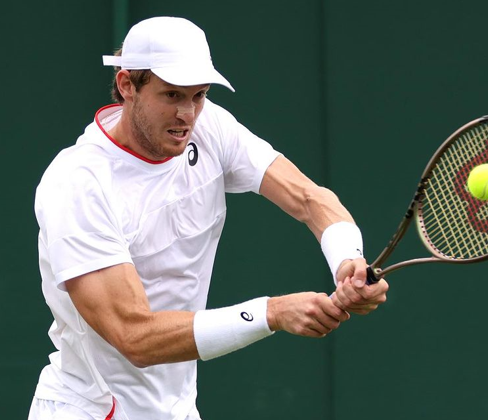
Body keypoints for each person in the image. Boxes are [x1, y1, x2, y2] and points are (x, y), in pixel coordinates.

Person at [28, 16, 389, 420]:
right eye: (172, 95)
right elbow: (135, 336)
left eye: (198, 95)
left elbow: (308, 197)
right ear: (127, 85)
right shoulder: (79, 183)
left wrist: (348, 260)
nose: (187, 114)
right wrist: (271, 313)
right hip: (89, 410)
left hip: (177, 409)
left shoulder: (208, 125)